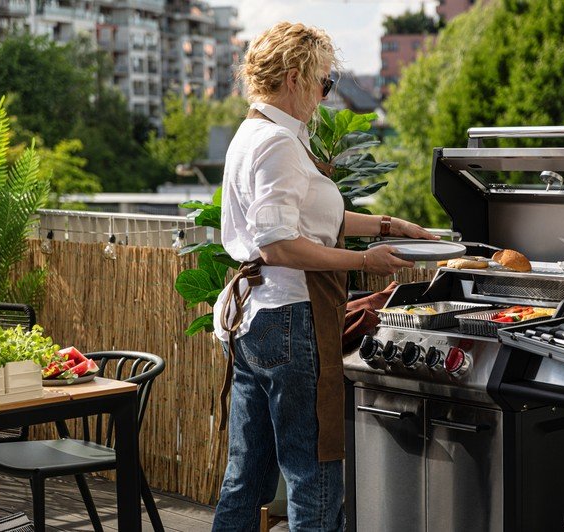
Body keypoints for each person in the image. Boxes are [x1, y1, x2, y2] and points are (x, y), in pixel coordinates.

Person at [212, 21, 439, 532]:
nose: (324, 95)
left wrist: (387, 225)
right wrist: (367, 262)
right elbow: (278, 244)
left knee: (246, 476)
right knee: (314, 473)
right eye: (323, 83)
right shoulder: (277, 145)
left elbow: (308, 218)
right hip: (292, 320)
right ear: (294, 77)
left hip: (257, 321)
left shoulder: (252, 134)